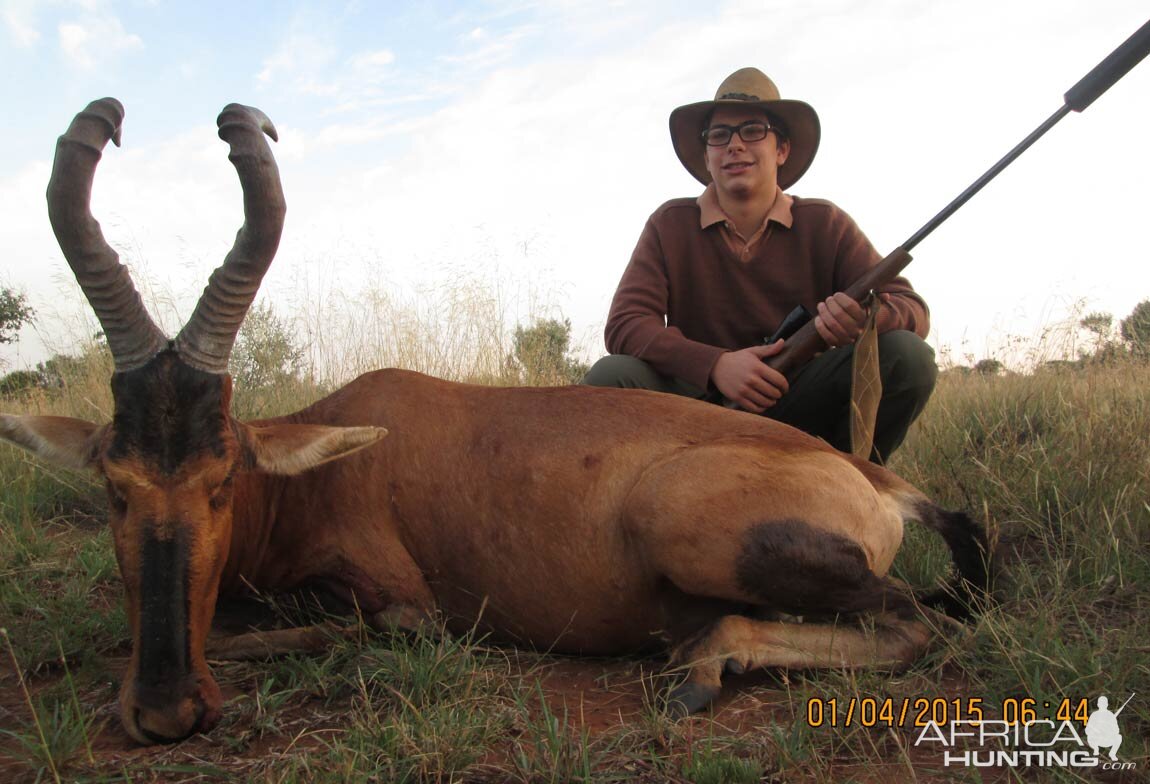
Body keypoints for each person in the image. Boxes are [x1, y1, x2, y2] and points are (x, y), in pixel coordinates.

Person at [582, 67, 937, 463]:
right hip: (697, 406)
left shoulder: (826, 222)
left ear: (781, 149)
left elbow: (913, 310)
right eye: (719, 136)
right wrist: (716, 365)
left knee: (907, 357)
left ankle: (851, 485)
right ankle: (640, 501)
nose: (734, 146)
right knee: (609, 377)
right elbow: (625, 324)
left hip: (798, 403)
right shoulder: (669, 224)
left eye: (752, 130)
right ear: (707, 154)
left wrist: (865, 321)